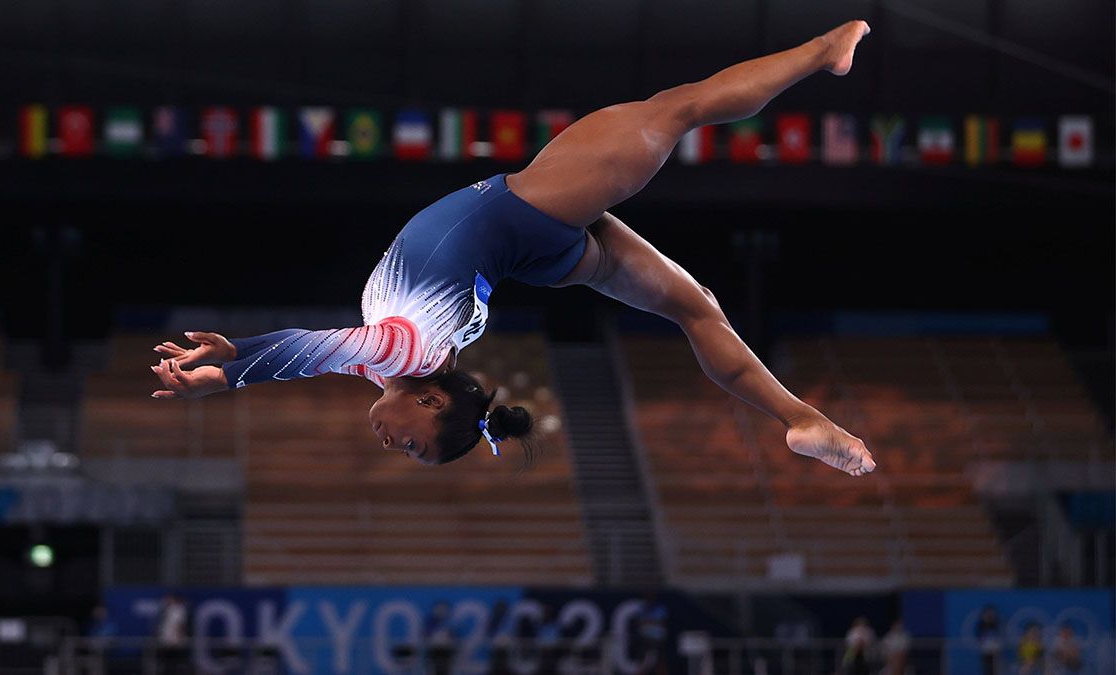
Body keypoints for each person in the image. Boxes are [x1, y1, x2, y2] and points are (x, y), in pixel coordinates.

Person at [149, 21, 877, 477]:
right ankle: (824, 47)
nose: (390, 445)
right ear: (432, 398)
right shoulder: (399, 355)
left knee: (696, 307)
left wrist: (233, 354)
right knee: (676, 108)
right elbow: (311, 349)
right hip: (529, 208)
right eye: (412, 444)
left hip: (534, 255)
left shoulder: (395, 369)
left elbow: (319, 353)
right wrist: (231, 370)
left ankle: (802, 419)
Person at [975, 605, 1003, 675]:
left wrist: (996, 646)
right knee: (987, 668)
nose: (990, 615)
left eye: (991, 613)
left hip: (995, 651)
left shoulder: (996, 624)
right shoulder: (981, 625)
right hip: (985, 650)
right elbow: (979, 638)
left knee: (995, 669)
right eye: (988, 613)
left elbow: (998, 637)